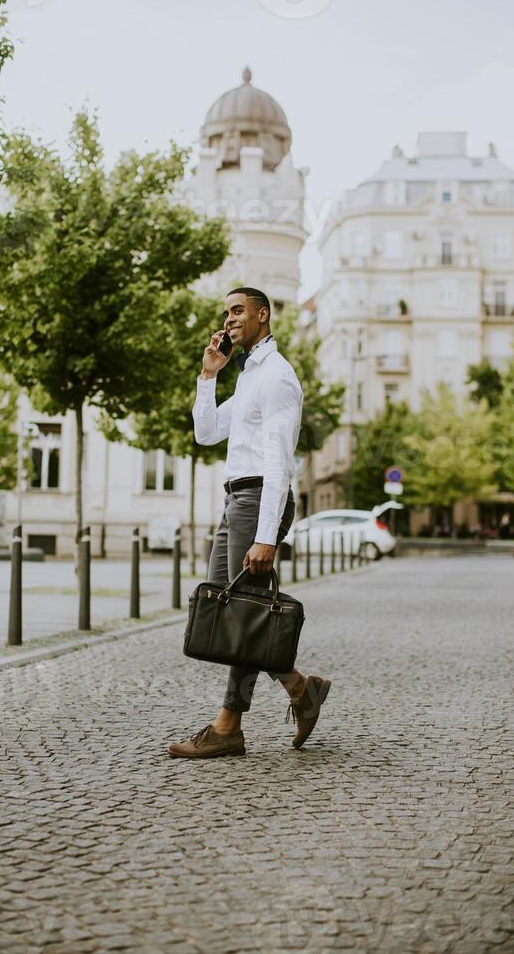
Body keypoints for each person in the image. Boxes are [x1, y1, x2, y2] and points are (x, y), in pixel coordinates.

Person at [168, 287, 331, 759]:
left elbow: (279, 462)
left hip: (261, 496)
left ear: (263, 314)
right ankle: (301, 689)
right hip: (238, 497)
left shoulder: (277, 376)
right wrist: (207, 376)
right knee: (227, 609)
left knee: (238, 610)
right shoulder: (246, 378)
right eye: (227, 313)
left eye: (239, 311)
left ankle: (227, 728)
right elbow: (205, 433)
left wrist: (266, 536)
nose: (230, 319)